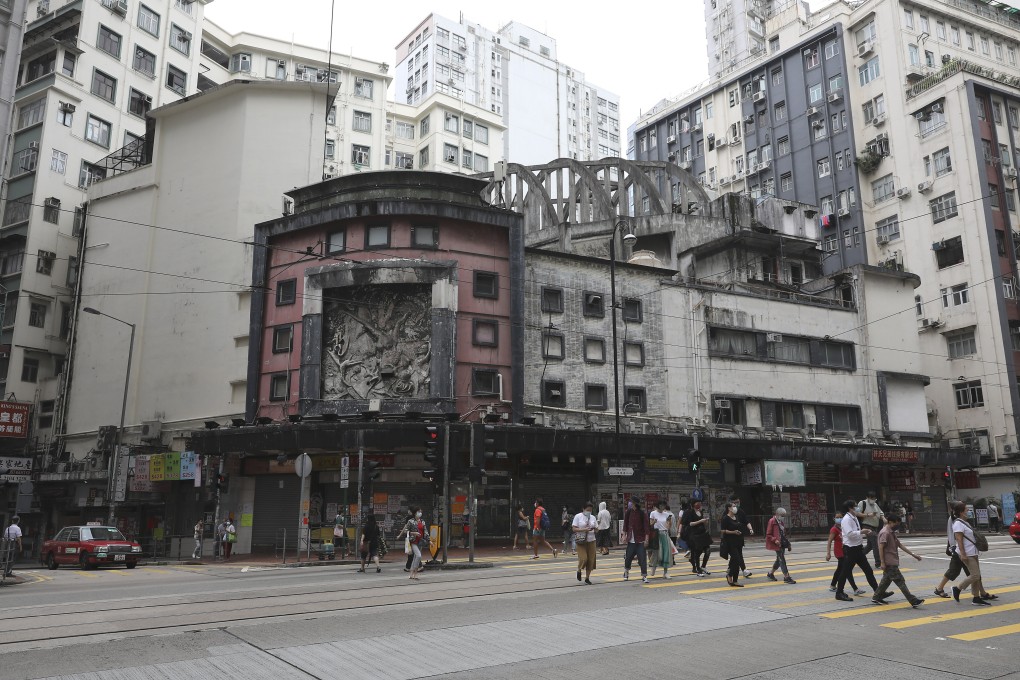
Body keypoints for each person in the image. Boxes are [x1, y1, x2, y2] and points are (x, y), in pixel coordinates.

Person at [872, 513, 924, 607]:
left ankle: (876, 597)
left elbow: (900, 545)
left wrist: (913, 555)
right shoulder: (885, 533)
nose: (897, 526)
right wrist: (882, 562)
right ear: (890, 522)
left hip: (892, 561)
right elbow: (880, 547)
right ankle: (913, 600)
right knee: (900, 581)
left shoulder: (891, 532)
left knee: (886, 581)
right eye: (896, 524)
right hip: (889, 562)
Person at [835, 499, 880, 602]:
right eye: (855, 506)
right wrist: (862, 532)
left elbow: (856, 532)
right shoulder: (846, 519)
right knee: (845, 572)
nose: (857, 508)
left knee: (868, 571)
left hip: (858, 549)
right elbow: (850, 534)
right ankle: (839, 593)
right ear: (850, 508)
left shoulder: (854, 517)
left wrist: (863, 533)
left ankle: (878, 591)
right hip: (850, 549)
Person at [952, 501, 992, 605]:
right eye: (966, 509)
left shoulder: (965, 522)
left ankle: (976, 598)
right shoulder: (958, 524)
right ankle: (957, 588)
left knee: (976, 576)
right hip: (967, 553)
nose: (968, 511)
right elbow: (959, 540)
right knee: (975, 575)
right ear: (961, 512)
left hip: (973, 552)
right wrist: (963, 554)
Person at [826, 513, 864, 596]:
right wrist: (828, 553)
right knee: (847, 570)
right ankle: (855, 589)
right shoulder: (834, 529)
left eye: (841, 517)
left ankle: (833, 585)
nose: (839, 519)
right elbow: (829, 541)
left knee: (840, 568)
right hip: (839, 552)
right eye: (837, 517)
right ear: (834, 519)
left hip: (846, 550)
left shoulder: (843, 527)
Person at [764, 507, 796, 584]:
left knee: (779, 560)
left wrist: (788, 544)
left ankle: (770, 574)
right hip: (777, 544)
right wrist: (775, 540)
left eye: (784, 516)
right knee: (782, 559)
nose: (783, 517)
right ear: (777, 514)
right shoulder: (772, 521)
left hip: (782, 543)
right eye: (782, 515)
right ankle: (786, 577)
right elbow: (768, 534)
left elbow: (783, 534)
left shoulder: (781, 522)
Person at [622, 497, 649, 583]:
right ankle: (626, 572)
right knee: (628, 558)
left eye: (632, 502)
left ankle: (644, 576)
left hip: (640, 540)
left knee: (642, 559)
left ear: (635, 504)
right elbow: (625, 524)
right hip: (631, 540)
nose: (630, 504)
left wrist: (646, 539)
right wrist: (624, 535)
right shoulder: (628, 512)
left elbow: (646, 527)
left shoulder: (642, 513)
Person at [682, 499, 712, 576]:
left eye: (700, 503)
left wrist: (705, 522)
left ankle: (703, 566)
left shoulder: (700, 512)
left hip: (703, 533)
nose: (699, 504)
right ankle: (698, 569)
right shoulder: (690, 512)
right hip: (695, 534)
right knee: (697, 552)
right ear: (693, 504)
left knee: (708, 550)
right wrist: (701, 521)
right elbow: (690, 523)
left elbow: (703, 523)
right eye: (697, 503)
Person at [572, 501, 598, 584]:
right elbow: (574, 529)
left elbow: (597, 529)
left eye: (590, 510)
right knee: (584, 558)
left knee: (591, 560)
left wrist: (595, 528)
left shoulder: (593, 517)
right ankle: (579, 570)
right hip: (581, 541)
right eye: (587, 510)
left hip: (592, 540)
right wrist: (584, 529)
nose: (589, 512)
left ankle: (587, 578)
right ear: (583, 509)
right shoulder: (578, 516)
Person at [857, 491, 885, 568]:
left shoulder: (875, 504)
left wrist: (884, 518)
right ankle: (878, 563)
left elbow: (880, 513)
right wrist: (868, 515)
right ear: (867, 497)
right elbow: (857, 513)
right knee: (876, 542)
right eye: (871, 498)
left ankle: (858, 557)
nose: (873, 500)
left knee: (870, 545)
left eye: (874, 498)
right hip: (866, 526)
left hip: (875, 527)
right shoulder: (862, 503)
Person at [720, 502, 745, 587]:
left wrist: (739, 531)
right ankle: (730, 575)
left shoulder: (736, 517)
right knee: (737, 559)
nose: (735, 508)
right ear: (729, 508)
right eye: (733, 506)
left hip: (738, 542)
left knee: (736, 561)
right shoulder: (725, 518)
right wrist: (733, 532)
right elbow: (722, 530)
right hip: (730, 543)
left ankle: (735, 580)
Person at [648, 499, 673, 579]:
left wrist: (669, 524)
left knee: (666, 552)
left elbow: (669, 524)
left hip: (664, 534)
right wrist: (654, 522)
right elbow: (650, 524)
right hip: (656, 534)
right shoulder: (653, 513)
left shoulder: (666, 514)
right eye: (661, 505)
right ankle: (653, 567)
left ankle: (665, 572)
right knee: (656, 552)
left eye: (664, 505)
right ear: (658, 505)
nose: (663, 507)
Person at [730, 496, 754, 578]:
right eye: (735, 502)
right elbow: (723, 529)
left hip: (739, 537)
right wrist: (732, 532)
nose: (737, 504)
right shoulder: (727, 514)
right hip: (730, 538)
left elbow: (746, 521)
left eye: (738, 502)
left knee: (737, 554)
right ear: (731, 503)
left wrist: (750, 529)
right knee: (737, 555)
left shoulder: (740, 511)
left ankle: (731, 569)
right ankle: (743, 570)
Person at [404, 507, 427, 579]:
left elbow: (425, 532)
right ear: (415, 513)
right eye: (418, 511)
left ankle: (411, 574)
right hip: (413, 541)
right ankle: (415, 573)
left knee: (415, 557)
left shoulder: (422, 521)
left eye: (421, 511)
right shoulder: (410, 521)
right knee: (419, 556)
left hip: (420, 541)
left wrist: (429, 540)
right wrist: (413, 533)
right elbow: (405, 531)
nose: (420, 513)